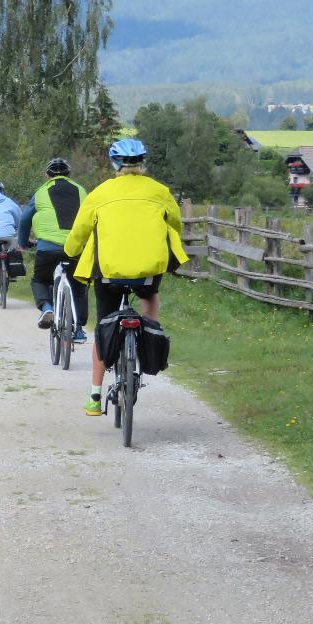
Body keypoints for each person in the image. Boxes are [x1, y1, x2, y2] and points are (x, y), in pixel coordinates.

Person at [63, 138, 189, 416]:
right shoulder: (159, 191)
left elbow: (79, 233)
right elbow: (176, 223)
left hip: (108, 273)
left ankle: (95, 396)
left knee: (103, 325)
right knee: (150, 297)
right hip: (147, 271)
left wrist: (71, 251)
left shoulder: (100, 193)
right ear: (142, 163)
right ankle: (149, 335)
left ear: (115, 164)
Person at [19, 158, 89, 342]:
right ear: (68, 175)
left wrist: (23, 242)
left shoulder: (41, 192)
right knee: (79, 285)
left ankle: (47, 308)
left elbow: (25, 219)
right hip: (75, 248)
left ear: (47, 175)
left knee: (40, 280)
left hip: (47, 248)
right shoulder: (81, 191)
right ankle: (79, 328)